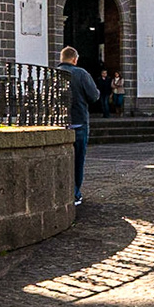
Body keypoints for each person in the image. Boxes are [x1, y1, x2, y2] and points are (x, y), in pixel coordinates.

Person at [56, 46, 100, 206]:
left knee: (59, 160)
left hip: (58, 123)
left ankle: (59, 192)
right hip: (78, 121)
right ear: (75, 59)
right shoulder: (81, 73)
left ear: (61, 58)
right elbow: (94, 96)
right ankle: (74, 194)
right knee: (78, 160)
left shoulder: (52, 74)